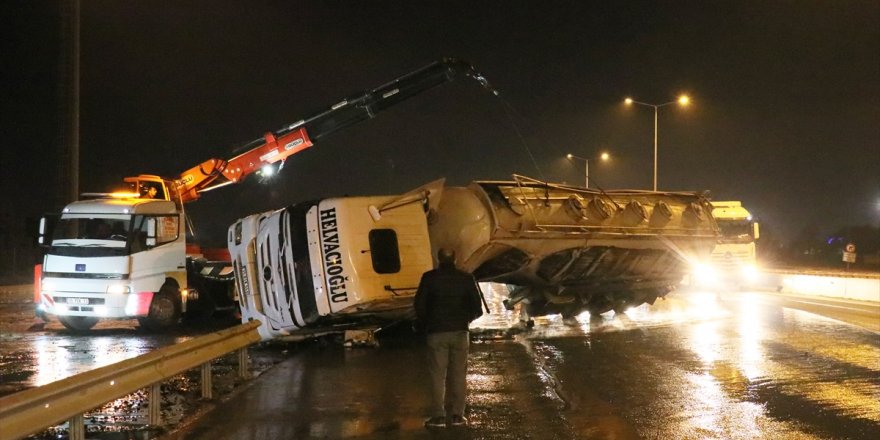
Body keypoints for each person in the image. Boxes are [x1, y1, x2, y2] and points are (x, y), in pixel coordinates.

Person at [414, 248, 484, 429]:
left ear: (438, 259)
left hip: (436, 333)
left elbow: (419, 306)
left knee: (437, 376)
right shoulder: (466, 278)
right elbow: (478, 308)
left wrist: (429, 322)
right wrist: (465, 319)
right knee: (459, 375)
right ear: (455, 258)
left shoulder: (429, 278)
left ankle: (437, 417)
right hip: (460, 332)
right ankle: (457, 416)